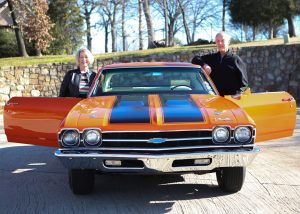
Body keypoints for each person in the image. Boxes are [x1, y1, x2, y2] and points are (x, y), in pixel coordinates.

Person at [191, 31, 248, 96]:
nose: (220, 43)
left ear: (228, 42)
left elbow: (244, 86)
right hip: (215, 100)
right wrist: (204, 65)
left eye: (222, 40)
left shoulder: (235, 60)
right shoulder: (211, 58)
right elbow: (195, 59)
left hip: (231, 101)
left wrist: (238, 95)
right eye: (218, 41)